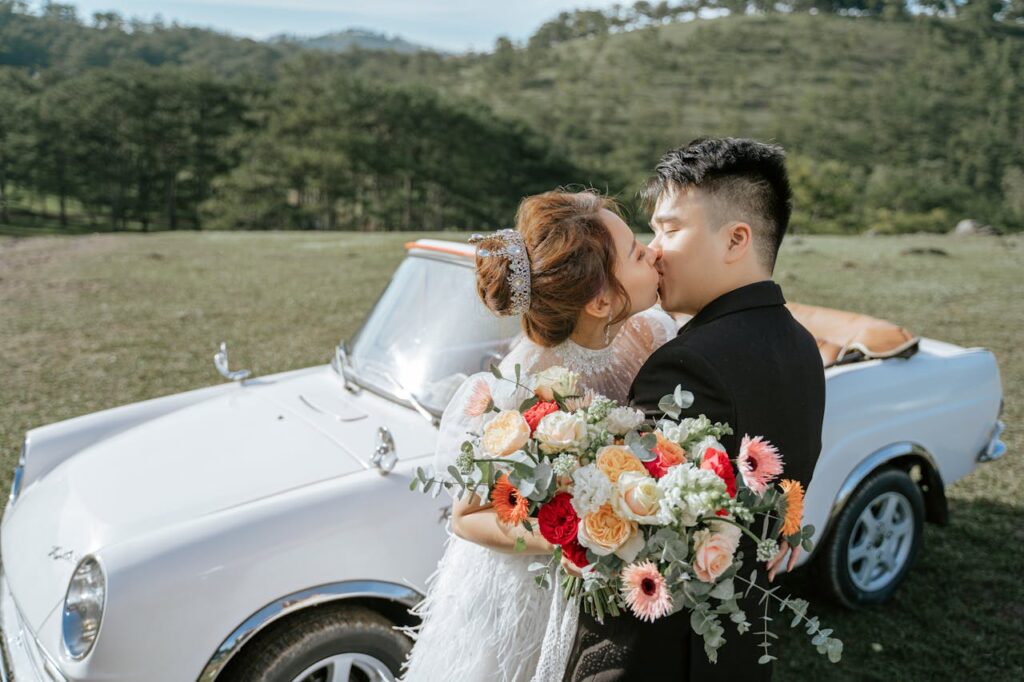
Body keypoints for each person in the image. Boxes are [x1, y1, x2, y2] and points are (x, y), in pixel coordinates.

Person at [561, 138, 827, 681]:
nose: (654, 249)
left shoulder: (684, 365)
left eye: (670, 228)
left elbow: (637, 549)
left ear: (736, 239)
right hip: (741, 650)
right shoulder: (802, 344)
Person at [397, 190, 677, 682]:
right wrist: (575, 537)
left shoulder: (649, 333)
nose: (654, 252)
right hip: (531, 580)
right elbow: (468, 519)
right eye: (636, 251)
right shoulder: (518, 387)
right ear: (601, 300)